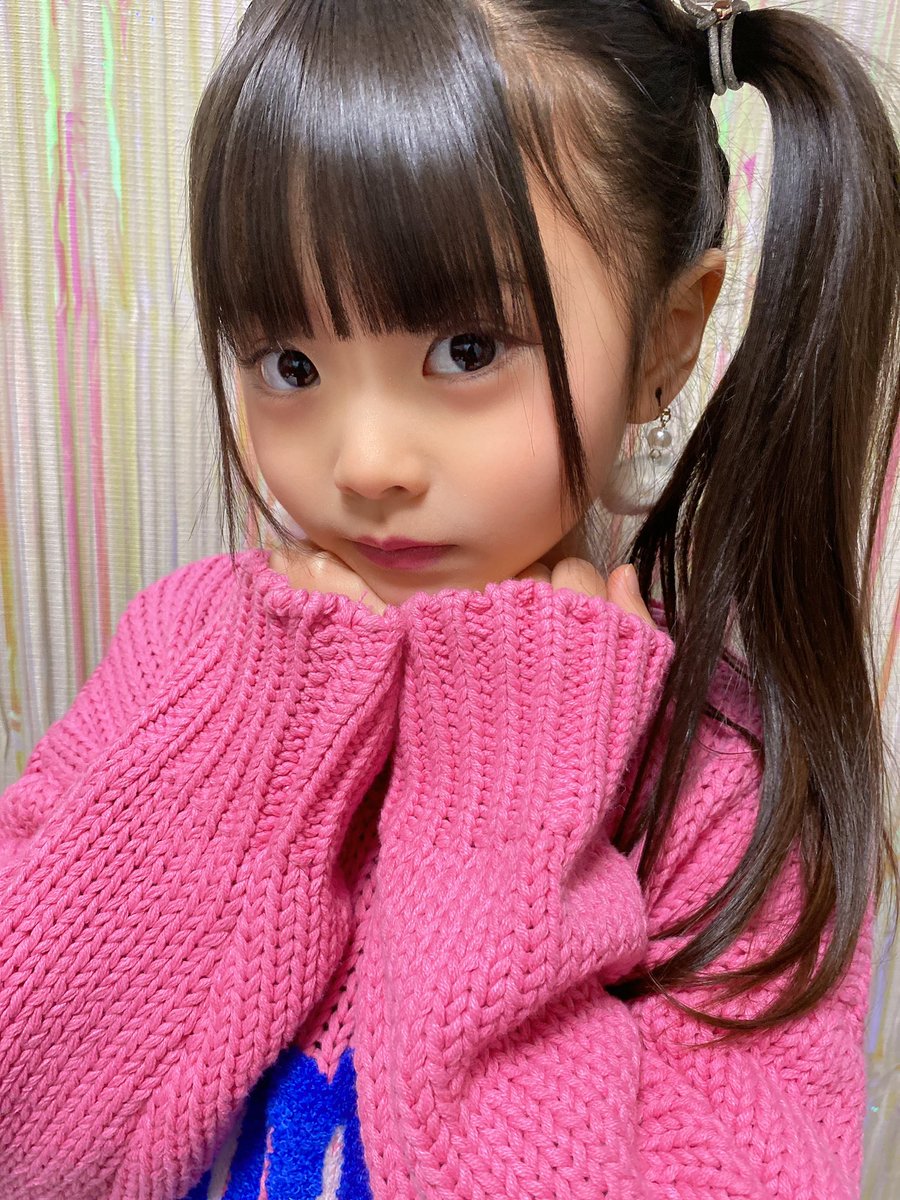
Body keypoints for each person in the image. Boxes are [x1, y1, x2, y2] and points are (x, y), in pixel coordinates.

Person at [0, 0, 897, 1196]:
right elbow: (28, 1138)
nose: (365, 460)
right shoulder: (184, 657)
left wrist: (507, 809)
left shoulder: (723, 791)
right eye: (290, 364)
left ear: (667, 341)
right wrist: (249, 745)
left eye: (468, 350)